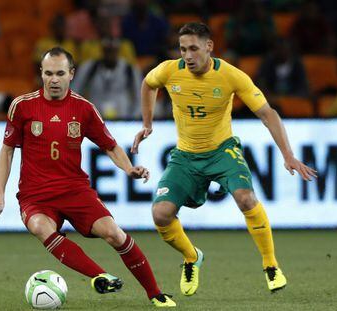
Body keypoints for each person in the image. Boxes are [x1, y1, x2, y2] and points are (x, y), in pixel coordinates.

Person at [131, 23, 317, 296]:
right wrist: (147, 123)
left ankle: (270, 265)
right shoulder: (169, 70)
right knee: (160, 214)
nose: (188, 56)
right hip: (185, 156)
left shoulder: (231, 76)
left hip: (222, 151)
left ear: (209, 46)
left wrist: (288, 155)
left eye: (193, 48)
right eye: (183, 49)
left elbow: (268, 114)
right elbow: (148, 84)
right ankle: (191, 256)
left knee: (246, 198)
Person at [0, 47, 175, 308]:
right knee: (42, 228)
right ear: (41, 73)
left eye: (60, 73)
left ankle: (155, 293)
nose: (54, 79)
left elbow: (110, 145)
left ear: (71, 74)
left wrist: (129, 169)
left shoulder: (84, 109)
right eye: (48, 73)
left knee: (114, 234)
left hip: (75, 190)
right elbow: (7, 151)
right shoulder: (22, 106)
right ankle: (100, 275)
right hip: (35, 195)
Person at [72, 36, 142, 119]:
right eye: (108, 50)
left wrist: (132, 119)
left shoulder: (130, 69)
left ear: (118, 50)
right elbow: (74, 92)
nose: (110, 54)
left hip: (123, 119)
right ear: (102, 50)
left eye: (113, 50)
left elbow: (140, 98)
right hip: (94, 120)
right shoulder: (89, 68)